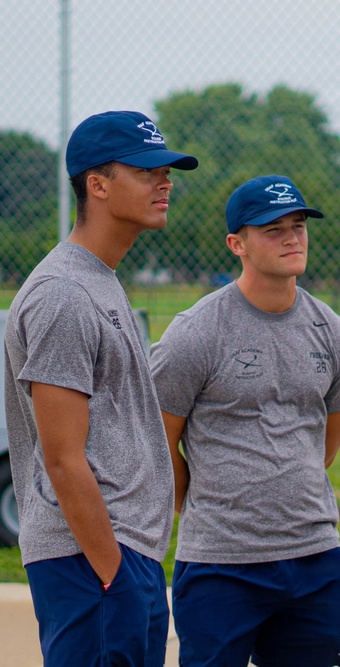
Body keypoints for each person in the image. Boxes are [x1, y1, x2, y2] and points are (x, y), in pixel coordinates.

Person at [3, 110, 198, 665]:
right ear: (98, 183)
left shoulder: (99, 281)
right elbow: (63, 458)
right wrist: (113, 570)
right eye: (147, 171)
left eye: (167, 171)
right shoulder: (64, 293)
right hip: (91, 561)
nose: (165, 182)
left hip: (120, 558)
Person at [149, 175, 340, 667]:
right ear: (236, 243)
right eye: (273, 229)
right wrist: (208, 504)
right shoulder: (195, 333)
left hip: (314, 555)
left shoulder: (332, 330)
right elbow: (160, 445)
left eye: (299, 225)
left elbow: (328, 435)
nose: (291, 237)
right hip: (222, 563)